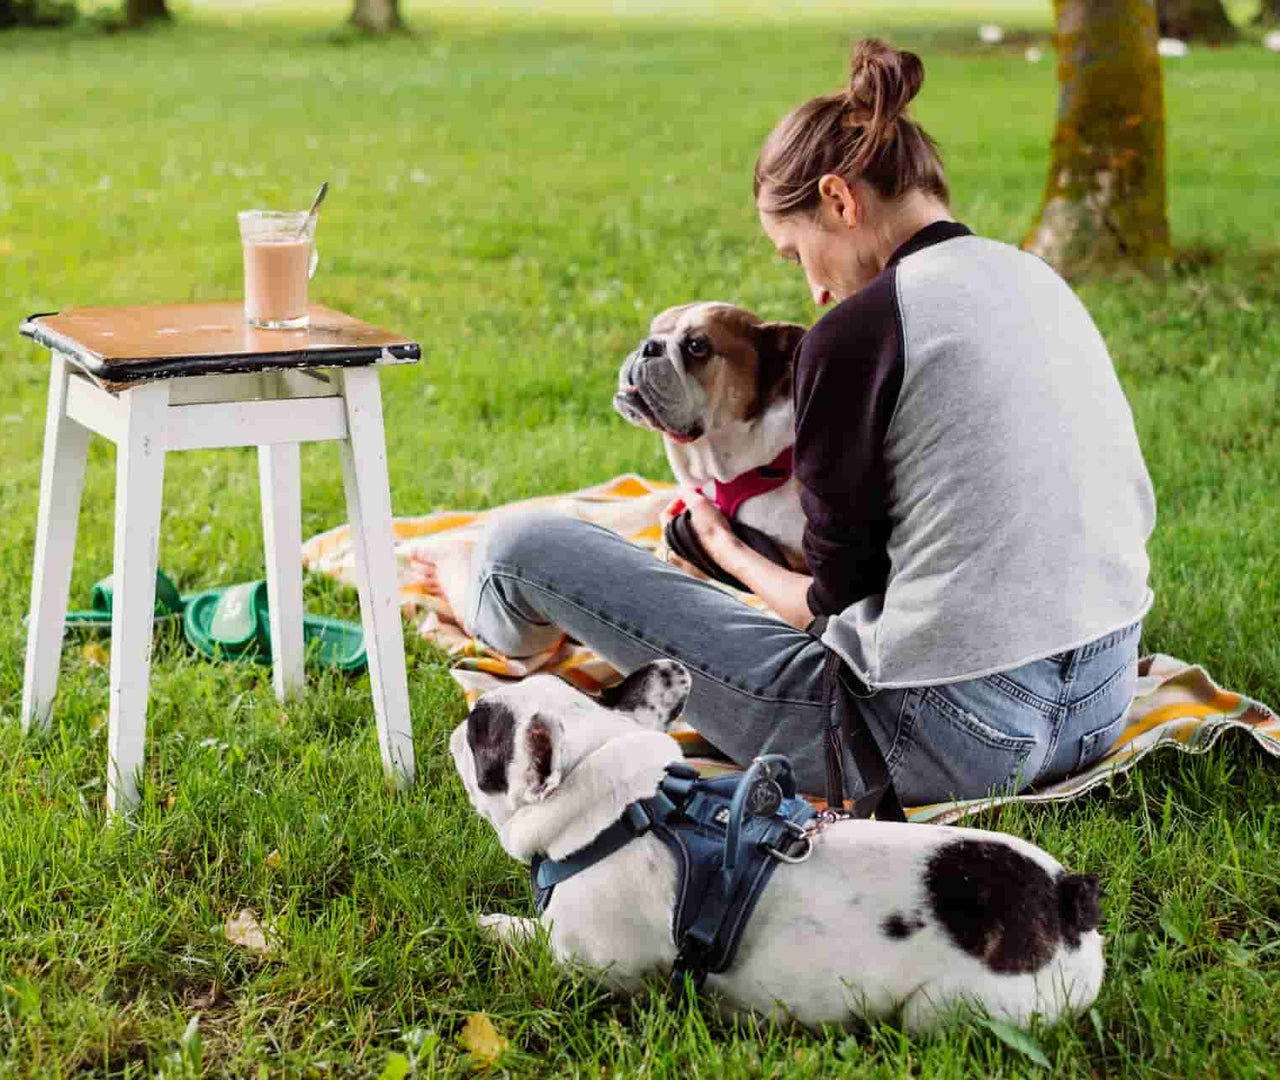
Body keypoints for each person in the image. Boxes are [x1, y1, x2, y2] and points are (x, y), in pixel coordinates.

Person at [418, 38, 1156, 809]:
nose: (811, 287)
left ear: (839, 201)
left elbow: (830, 604)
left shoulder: (858, 333)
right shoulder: (1038, 280)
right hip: (1099, 703)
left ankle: (474, 594)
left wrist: (723, 548)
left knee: (521, 546)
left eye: (797, 251)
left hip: (933, 742)